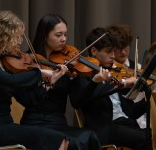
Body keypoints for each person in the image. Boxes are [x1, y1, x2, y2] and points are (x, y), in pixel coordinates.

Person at [0, 10, 69, 149]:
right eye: (16, 37)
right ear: (3, 36)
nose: (19, 42)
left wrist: (51, 81)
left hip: (7, 126)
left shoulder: (5, 63)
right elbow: (11, 81)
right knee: (54, 139)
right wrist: (40, 72)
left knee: (60, 138)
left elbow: (29, 100)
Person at [14, 14, 109, 149]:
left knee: (89, 136)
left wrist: (94, 81)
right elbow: (25, 98)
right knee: (70, 143)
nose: (63, 39)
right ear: (45, 36)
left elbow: (77, 102)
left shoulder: (69, 64)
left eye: (65, 34)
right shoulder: (28, 62)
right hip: (35, 123)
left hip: (59, 123)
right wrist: (49, 79)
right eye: (58, 35)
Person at [81, 27, 149, 149]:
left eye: (113, 51)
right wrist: (121, 82)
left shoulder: (112, 73)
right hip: (106, 128)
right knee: (147, 139)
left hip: (125, 123)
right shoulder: (84, 75)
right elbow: (78, 101)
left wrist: (151, 99)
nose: (113, 56)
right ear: (94, 51)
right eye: (108, 52)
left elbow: (130, 112)